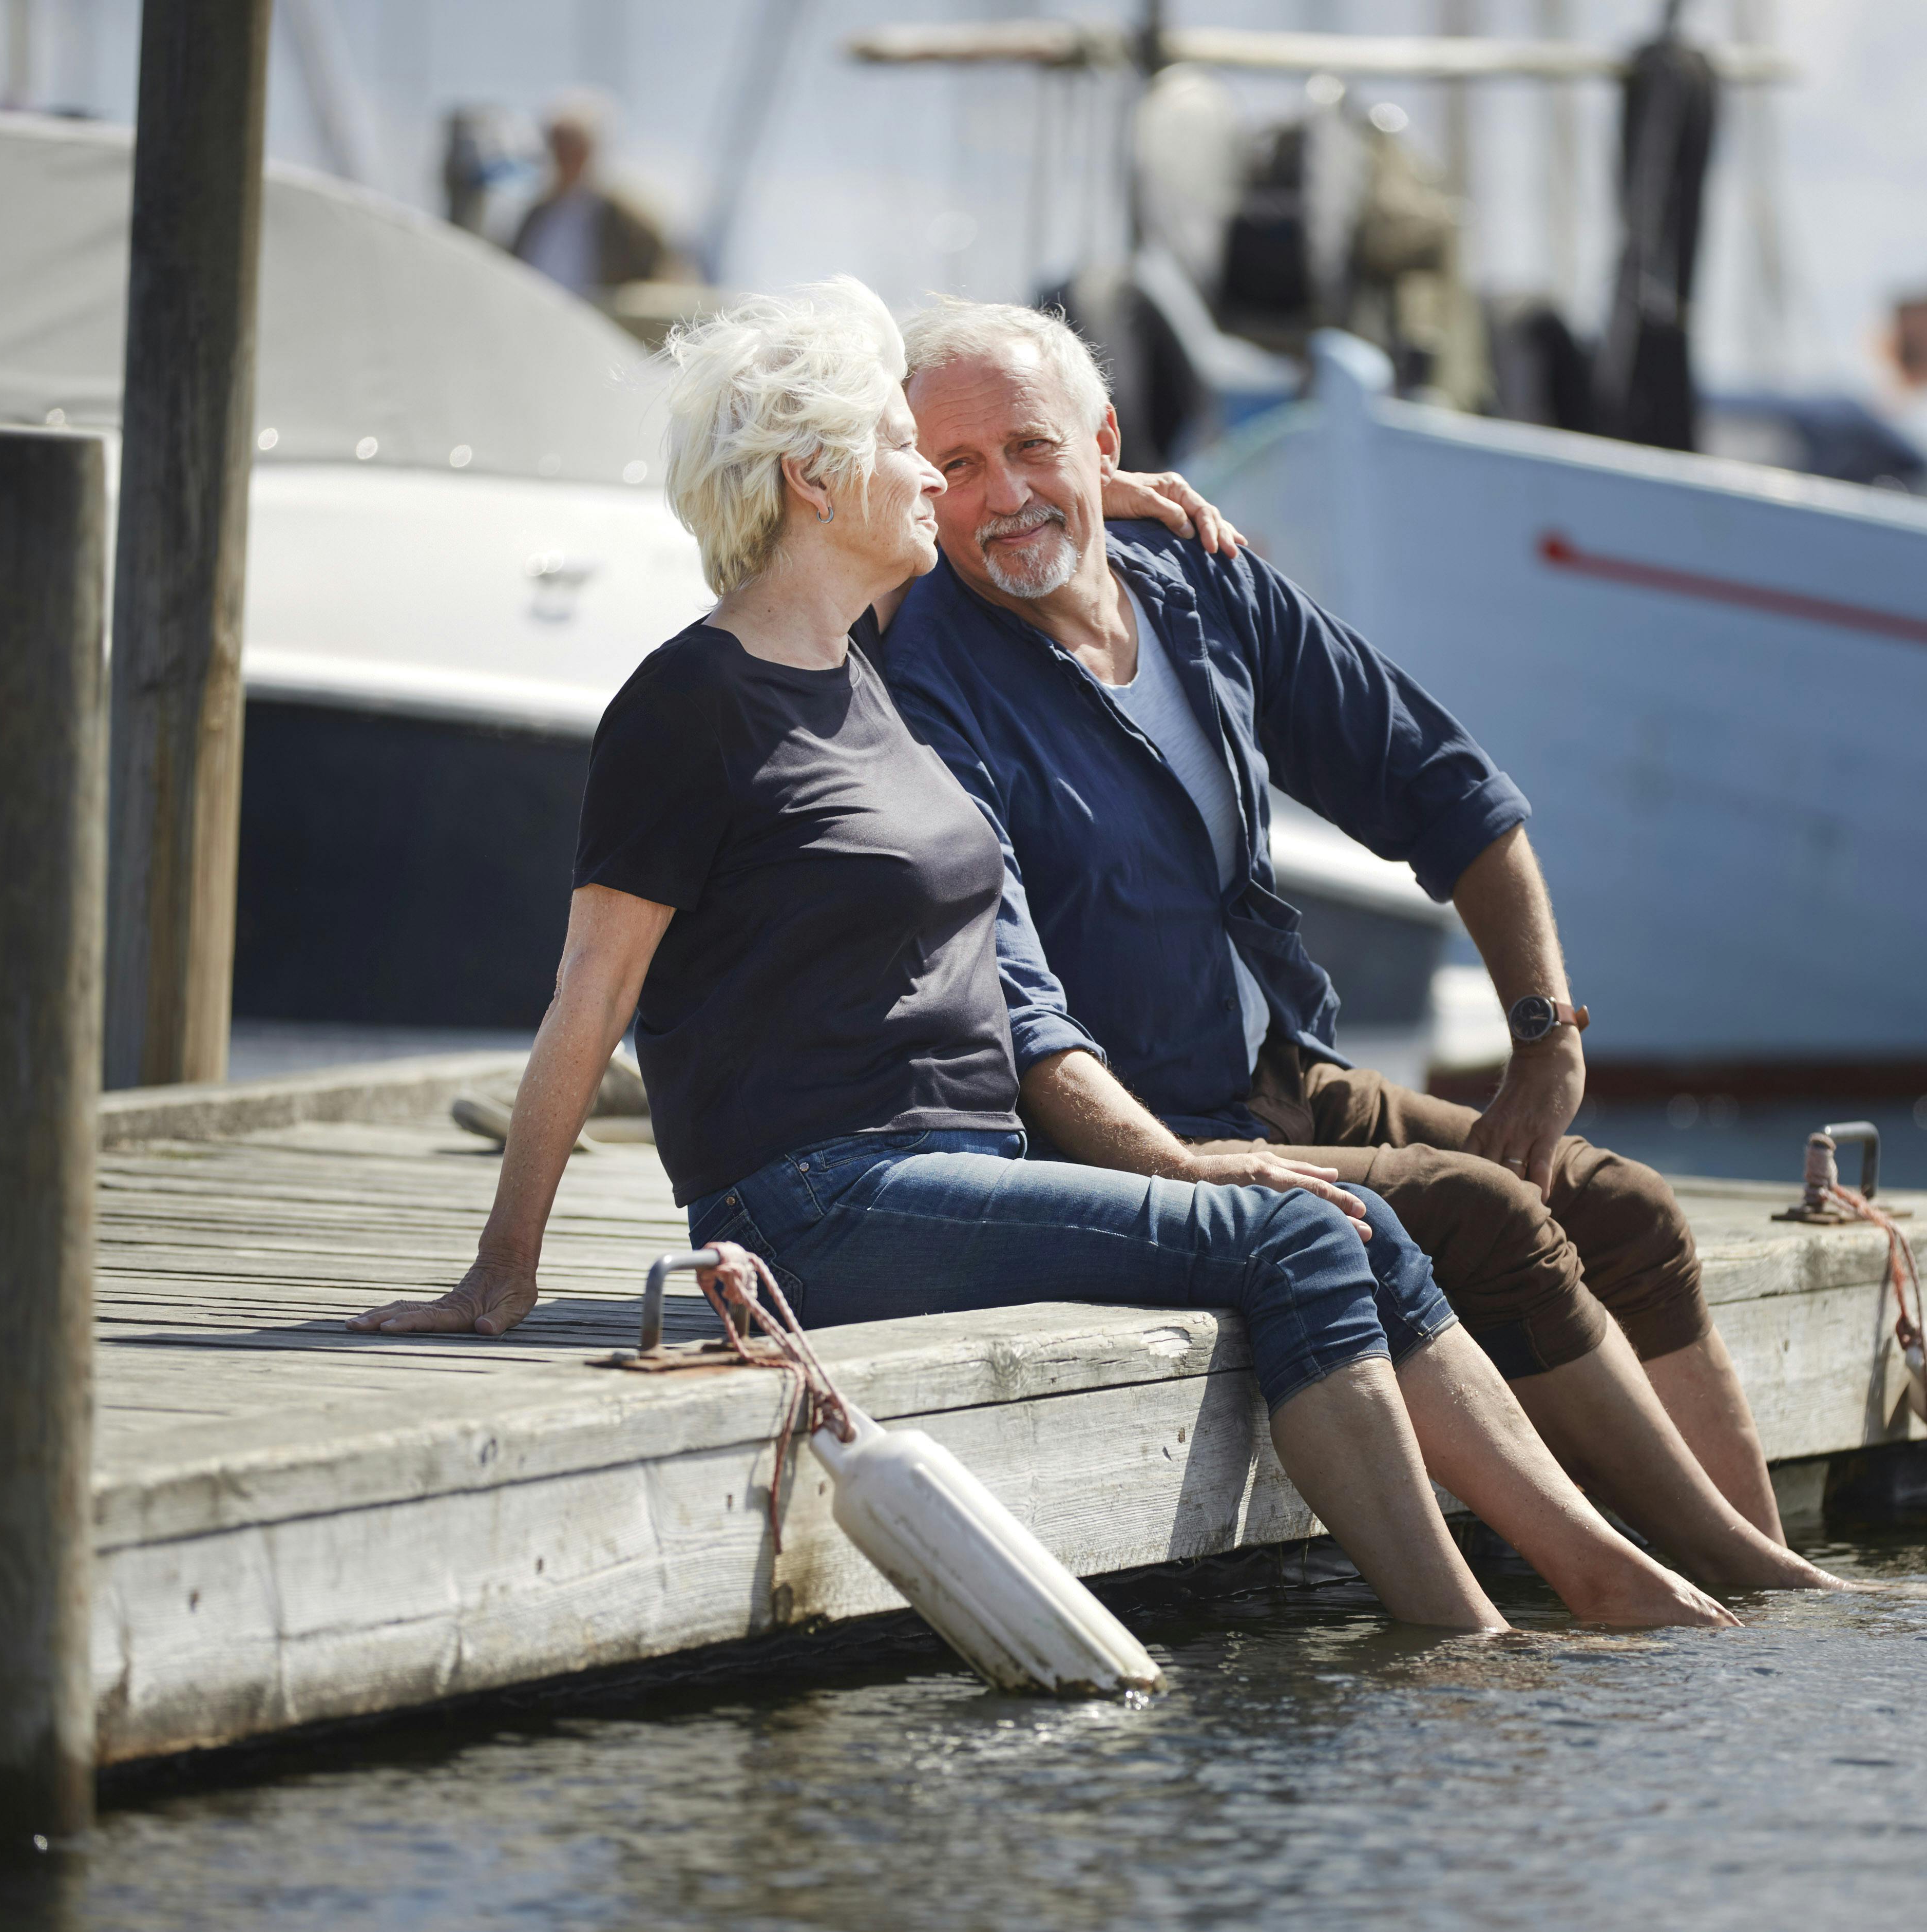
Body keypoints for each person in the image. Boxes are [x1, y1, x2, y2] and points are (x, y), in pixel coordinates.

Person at [347, 278, 1733, 1634]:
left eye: (991, 459)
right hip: (816, 1200)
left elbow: (1015, 540)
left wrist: (1093, 493)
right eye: (916, 454)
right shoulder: (697, 700)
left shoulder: (858, 674)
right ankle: (1474, 1637)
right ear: (822, 481)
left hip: (965, 1167)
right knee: (1309, 1233)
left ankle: (1605, 1581)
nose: (950, 488)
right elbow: (590, 996)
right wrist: (502, 1267)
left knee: (1368, 1220)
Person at [876, 298, 1841, 1595]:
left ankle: (1756, 1568)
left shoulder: (1200, 579)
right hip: (1118, 1123)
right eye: (958, 469)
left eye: (1032, 448)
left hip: (1275, 1063)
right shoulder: (927, 659)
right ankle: (1713, 1586)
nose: (1003, 496)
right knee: (1489, 1218)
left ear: (1103, 441)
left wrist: (1544, 1040)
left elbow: (1445, 789)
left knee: (1625, 1208)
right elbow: (1018, 1002)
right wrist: (1175, 1163)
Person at [510, 92, 674, 300]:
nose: (564, 156)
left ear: (591, 150)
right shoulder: (537, 215)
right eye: (558, 146)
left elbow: (661, 281)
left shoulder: (628, 220)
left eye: (572, 147)